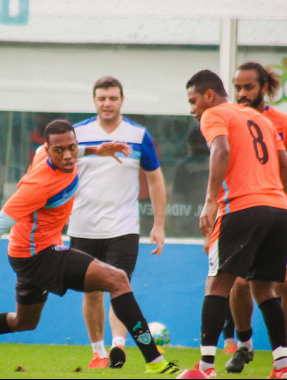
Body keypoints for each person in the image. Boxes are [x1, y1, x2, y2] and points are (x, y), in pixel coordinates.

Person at [0, 120, 180, 376]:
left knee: (24, 321)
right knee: (117, 279)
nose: (67, 155)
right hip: (36, 254)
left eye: (71, 147)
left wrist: (97, 150)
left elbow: (74, 153)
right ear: (46, 149)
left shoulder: (70, 155)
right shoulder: (38, 185)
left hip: (28, 252)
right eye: (59, 150)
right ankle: (155, 362)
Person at [185, 70, 287, 379]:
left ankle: (206, 368)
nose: (192, 109)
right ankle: (283, 366)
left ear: (208, 95)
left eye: (193, 101)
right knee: (264, 288)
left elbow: (221, 150)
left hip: (242, 208)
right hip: (277, 209)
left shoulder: (214, 114)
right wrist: (271, 194)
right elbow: (286, 167)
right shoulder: (260, 119)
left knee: (217, 283)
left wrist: (210, 200)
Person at [68, 76, 167, 370]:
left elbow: (155, 179)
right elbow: (57, 171)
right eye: (101, 98)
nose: (107, 103)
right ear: (94, 101)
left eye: (112, 98)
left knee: (119, 288)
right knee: (92, 292)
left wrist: (159, 224)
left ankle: (118, 346)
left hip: (123, 228)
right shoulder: (77, 133)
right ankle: (98, 352)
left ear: (122, 100)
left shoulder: (138, 135)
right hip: (83, 226)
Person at [226, 62, 287, 377]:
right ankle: (244, 345)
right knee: (239, 282)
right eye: (237, 87)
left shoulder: (283, 123)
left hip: (280, 212)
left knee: (286, 282)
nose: (242, 93)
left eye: (248, 87)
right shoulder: (232, 119)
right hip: (246, 211)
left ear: (264, 87)